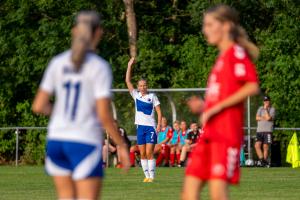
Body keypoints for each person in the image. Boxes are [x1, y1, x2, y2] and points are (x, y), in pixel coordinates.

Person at [32, 11, 130, 200]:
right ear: (99, 33)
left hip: (56, 141)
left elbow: (38, 105)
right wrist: (121, 145)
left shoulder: (57, 62)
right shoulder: (99, 66)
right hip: (83, 140)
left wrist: (61, 113)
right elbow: (103, 114)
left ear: (74, 31)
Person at [182, 4, 260, 200]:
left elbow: (251, 86)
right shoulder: (222, 58)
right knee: (188, 193)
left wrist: (217, 107)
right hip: (209, 134)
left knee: (218, 194)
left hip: (225, 135)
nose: (204, 30)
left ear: (226, 26)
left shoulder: (236, 53)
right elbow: (223, 94)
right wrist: (204, 106)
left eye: (209, 24)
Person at [126, 57, 162, 182]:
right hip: (140, 127)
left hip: (150, 127)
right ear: (138, 87)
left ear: (147, 86)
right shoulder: (136, 96)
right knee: (142, 154)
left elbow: (158, 111)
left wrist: (158, 125)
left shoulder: (152, 96)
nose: (142, 87)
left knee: (149, 152)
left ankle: (152, 177)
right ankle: (146, 176)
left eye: (144, 85)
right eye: (140, 85)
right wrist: (130, 65)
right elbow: (127, 81)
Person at [254, 95, 275, 167]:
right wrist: (264, 117)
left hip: (268, 130)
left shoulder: (272, 109)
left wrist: (266, 110)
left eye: (267, 101)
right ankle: (263, 161)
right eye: (265, 101)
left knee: (265, 147)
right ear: (263, 102)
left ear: (269, 101)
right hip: (259, 131)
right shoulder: (260, 108)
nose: (266, 102)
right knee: (257, 145)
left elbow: (269, 118)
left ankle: (264, 162)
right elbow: (256, 118)